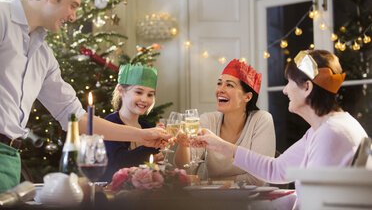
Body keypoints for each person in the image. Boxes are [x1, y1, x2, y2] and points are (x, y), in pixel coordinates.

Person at [0, 0, 169, 193]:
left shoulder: (44, 56)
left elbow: (78, 120)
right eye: (72, 5)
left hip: (10, 160)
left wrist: (142, 135)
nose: (73, 16)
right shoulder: (2, 19)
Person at [194, 50, 368, 209]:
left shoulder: (330, 134)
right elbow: (276, 170)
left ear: (307, 88)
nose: (285, 91)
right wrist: (219, 145)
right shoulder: (325, 128)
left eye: (289, 83)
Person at [175, 59, 276, 185]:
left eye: (229, 85)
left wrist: (208, 183)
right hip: (209, 201)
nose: (220, 90)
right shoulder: (208, 120)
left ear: (247, 97)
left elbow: (259, 178)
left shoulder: (261, 120)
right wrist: (183, 144)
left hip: (248, 201)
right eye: (219, 83)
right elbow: (185, 167)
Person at [101, 64, 164, 182]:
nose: (145, 99)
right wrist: (148, 148)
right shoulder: (110, 124)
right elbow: (119, 162)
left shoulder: (146, 127)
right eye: (139, 92)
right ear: (121, 90)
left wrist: (157, 154)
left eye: (150, 94)